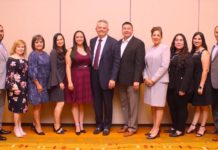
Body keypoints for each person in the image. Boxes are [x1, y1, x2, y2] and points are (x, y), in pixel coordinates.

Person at [90, 20, 120, 136]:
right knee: (97, 103)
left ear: (107, 29)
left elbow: (117, 62)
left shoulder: (114, 43)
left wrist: (113, 78)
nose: (101, 29)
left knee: (107, 103)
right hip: (94, 76)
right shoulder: (92, 41)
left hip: (108, 78)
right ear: (96, 29)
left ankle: (107, 126)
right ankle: (99, 125)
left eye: (104, 28)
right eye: (99, 27)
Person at [118, 22, 145, 137]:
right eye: (124, 28)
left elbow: (140, 63)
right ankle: (126, 124)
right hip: (120, 80)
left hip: (133, 80)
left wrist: (137, 80)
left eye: (128, 28)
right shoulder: (118, 43)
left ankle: (133, 127)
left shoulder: (138, 43)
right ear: (122, 30)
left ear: (132, 30)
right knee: (124, 104)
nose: (126, 30)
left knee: (133, 105)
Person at [143, 26, 170, 139]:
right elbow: (145, 66)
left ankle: (157, 128)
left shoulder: (165, 48)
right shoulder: (149, 49)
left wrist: (153, 79)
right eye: (154, 35)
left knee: (159, 106)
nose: (156, 37)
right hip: (149, 81)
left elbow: (164, 66)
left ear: (161, 36)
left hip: (160, 81)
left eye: (158, 35)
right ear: (151, 36)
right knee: (153, 106)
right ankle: (154, 127)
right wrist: (145, 78)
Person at [65, 30, 92, 135]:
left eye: (81, 36)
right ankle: (76, 126)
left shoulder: (88, 49)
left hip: (86, 78)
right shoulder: (70, 51)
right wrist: (70, 82)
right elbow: (67, 67)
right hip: (75, 77)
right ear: (74, 39)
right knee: (75, 102)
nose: (79, 38)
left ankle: (81, 125)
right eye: (77, 37)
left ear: (84, 38)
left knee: (82, 104)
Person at [166, 33, 193, 137]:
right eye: (176, 40)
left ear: (184, 42)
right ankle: (174, 126)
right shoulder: (171, 54)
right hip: (171, 86)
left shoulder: (188, 56)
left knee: (181, 108)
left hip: (182, 87)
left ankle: (180, 130)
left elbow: (188, 74)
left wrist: (183, 89)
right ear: (174, 42)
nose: (178, 42)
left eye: (181, 40)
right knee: (172, 107)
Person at [186, 32, 212, 137]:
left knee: (204, 106)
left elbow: (205, 70)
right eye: (195, 38)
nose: (197, 40)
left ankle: (203, 127)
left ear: (202, 40)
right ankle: (193, 125)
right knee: (197, 105)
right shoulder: (193, 52)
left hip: (203, 82)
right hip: (194, 82)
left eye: (199, 39)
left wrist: (201, 85)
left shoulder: (204, 52)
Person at [28, 34, 50, 135]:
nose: (39, 44)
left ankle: (34, 123)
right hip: (35, 83)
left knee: (40, 105)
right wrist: (37, 84)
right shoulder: (33, 55)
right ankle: (38, 126)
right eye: (36, 42)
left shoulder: (45, 54)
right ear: (33, 44)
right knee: (36, 105)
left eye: (40, 42)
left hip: (44, 82)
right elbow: (32, 71)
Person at [5, 40, 28, 138]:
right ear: (15, 47)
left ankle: (19, 126)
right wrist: (14, 88)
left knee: (21, 108)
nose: (21, 48)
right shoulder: (11, 59)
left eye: (22, 47)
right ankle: (16, 127)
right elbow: (10, 75)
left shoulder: (24, 58)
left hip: (24, 86)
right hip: (15, 87)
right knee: (17, 109)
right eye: (19, 46)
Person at [48, 33, 67, 134]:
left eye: (61, 39)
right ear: (55, 42)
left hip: (63, 80)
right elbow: (54, 68)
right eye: (57, 40)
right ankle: (56, 126)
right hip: (57, 81)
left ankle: (57, 123)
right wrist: (60, 81)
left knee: (59, 103)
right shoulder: (54, 52)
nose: (60, 41)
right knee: (60, 103)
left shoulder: (64, 51)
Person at [0, 24, 11, 141]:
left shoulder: (2, 45)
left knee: (1, 107)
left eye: (2, 31)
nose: (1, 33)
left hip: (2, 82)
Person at [210, 26, 218, 141]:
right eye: (216, 32)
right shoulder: (213, 47)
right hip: (213, 82)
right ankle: (217, 127)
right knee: (215, 106)